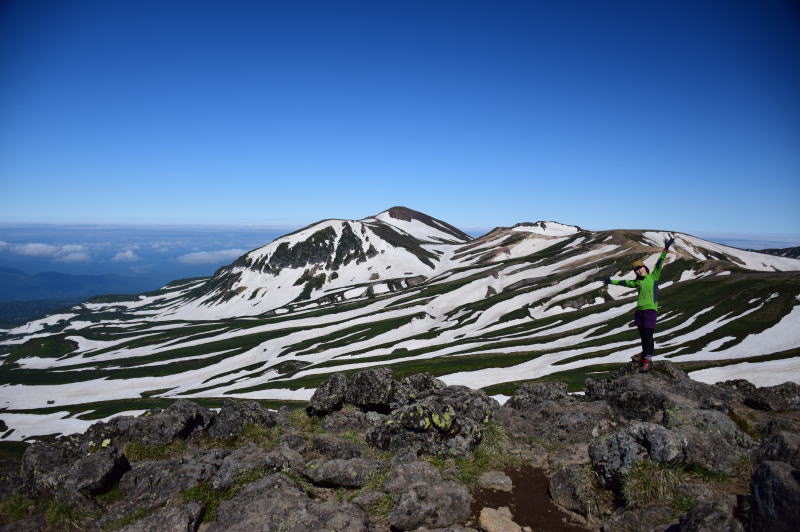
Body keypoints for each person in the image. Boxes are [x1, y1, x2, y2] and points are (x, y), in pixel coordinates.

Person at [603, 234, 675, 372]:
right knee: (643, 336)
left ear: (645, 268)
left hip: (650, 311)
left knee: (648, 336)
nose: (639, 270)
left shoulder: (653, 277)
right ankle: (643, 355)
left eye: (640, 267)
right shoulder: (637, 282)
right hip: (639, 311)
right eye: (636, 269)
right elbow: (624, 282)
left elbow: (660, 263)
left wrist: (665, 249)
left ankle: (647, 360)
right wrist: (610, 281)